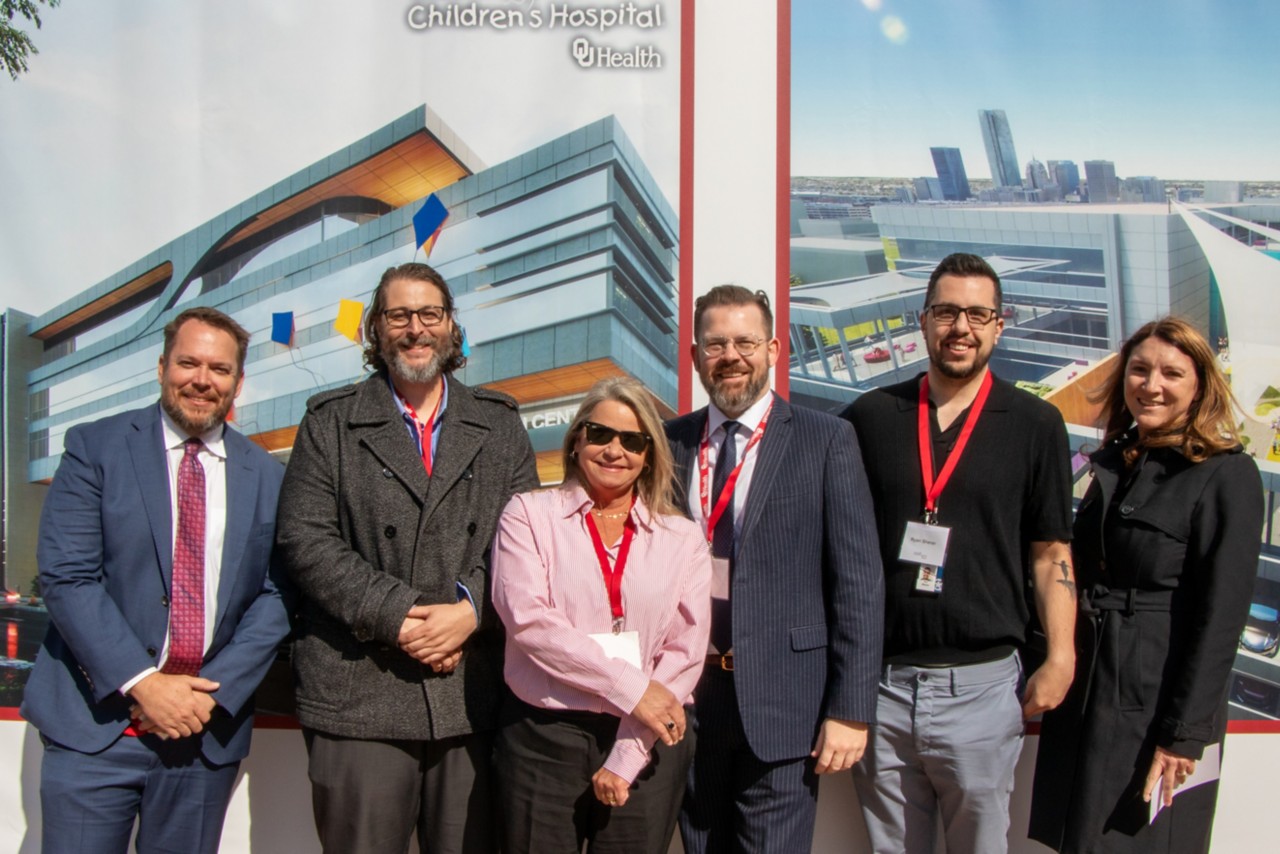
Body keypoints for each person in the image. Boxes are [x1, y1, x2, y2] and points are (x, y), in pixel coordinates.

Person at [275, 262, 538, 853]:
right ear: (375, 329)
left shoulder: (500, 423)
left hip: (472, 692)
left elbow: (528, 543)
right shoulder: (330, 421)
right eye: (399, 315)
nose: (415, 328)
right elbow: (305, 539)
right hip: (359, 693)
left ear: (451, 328)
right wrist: (402, 616)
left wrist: (470, 611)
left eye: (430, 314)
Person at [22, 307, 289, 853]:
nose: (201, 379)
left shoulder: (268, 476)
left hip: (201, 735)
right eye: (188, 362)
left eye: (219, 369)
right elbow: (68, 576)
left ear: (238, 380)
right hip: (95, 732)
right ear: (162, 365)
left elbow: (279, 593)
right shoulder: (95, 447)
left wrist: (208, 698)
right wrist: (143, 682)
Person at [841, 252, 1077, 853]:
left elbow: (1051, 553)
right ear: (922, 322)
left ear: (1000, 324)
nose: (961, 327)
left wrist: (1062, 657)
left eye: (978, 313)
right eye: (946, 312)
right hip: (882, 688)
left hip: (981, 689)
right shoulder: (871, 417)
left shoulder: (1035, 423)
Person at [1029, 316, 1265, 853]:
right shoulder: (1118, 458)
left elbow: (1221, 617)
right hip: (1092, 683)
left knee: (1136, 843)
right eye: (1139, 370)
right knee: (1081, 839)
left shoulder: (1226, 475)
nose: (1151, 384)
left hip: (1153, 696)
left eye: (1171, 373)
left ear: (1200, 384)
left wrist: (1183, 734)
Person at [667, 284, 885, 852]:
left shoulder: (827, 439)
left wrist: (851, 709)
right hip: (688, 702)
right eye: (715, 345)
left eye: (744, 342)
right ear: (695, 357)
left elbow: (859, 584)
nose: (730, 356)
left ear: (773, 349)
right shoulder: (669, 444)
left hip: (786, 703)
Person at [491, 376, 712, 853]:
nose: (615, 450)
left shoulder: (682, 537)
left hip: (646, 742)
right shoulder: (528, 514)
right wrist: (632, 688)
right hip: (544, 737)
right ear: (576, 441)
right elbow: (529, 621)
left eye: (632, 440)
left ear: (649, 453)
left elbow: (686, 652)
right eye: (600, 434)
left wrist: (629, 751)